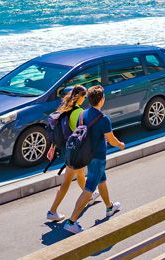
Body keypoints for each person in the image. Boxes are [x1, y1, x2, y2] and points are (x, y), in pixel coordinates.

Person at [62, 85, 126, 234]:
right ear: (101, 100)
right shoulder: (104, 119)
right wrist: (120, 145)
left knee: (102, 180)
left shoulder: (82, 114)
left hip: (86, 155)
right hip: (98, 157)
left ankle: (110, 207)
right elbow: (111, 139)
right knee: (89, 189)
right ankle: (71, 221)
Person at [45, 85, 99, 221]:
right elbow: (82, 133)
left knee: (80, 174)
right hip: (75, 151)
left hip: (67, 149)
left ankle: (90, 195)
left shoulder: (65, 108)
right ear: (80, 97)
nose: (85, 99)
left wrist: (52, 147)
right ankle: (52, 211)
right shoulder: (79, 112)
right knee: (66, 182)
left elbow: (59, 130)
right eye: (84, 97)